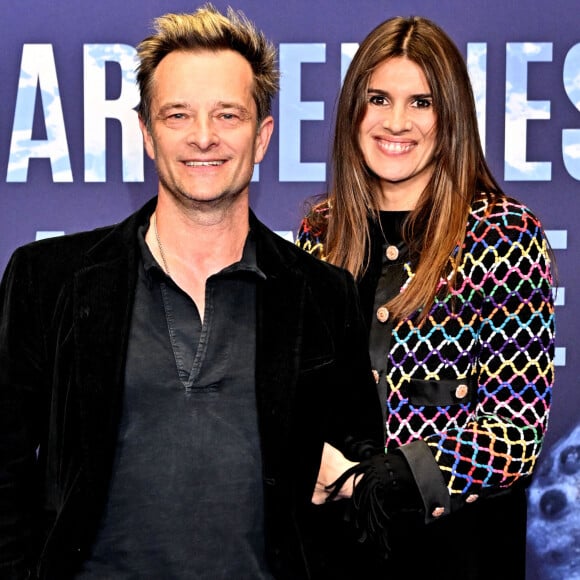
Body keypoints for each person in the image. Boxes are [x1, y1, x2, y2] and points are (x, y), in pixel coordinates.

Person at [0, 5, 385, 579]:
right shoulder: (46, 279)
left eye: (228, 115)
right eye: (177, 114)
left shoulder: (323, 297)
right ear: (147, 134)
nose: (203, 137)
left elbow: (356, 482)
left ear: (262, 137)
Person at [297, 15, 556, 580]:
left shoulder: (504, 235)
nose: (396, 122)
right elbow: (296, 392)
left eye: (421, 102)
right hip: (331, 554)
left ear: (451, 116)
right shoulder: (322, 231)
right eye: (378, 98)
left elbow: (515, 431)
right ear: (352, 111)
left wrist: (378, 480)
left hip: (457, 553)